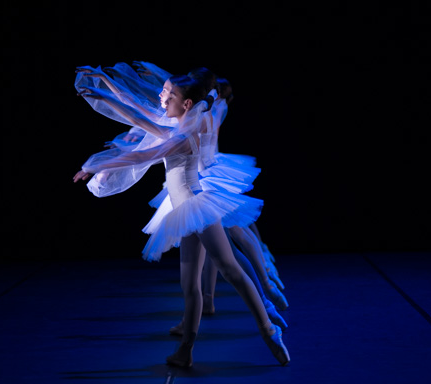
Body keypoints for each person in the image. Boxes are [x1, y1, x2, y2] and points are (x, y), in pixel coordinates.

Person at [73, 71, 290, 367]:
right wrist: (104, 92)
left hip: (197, 208)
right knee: (189, 286)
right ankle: (185, 351)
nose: (163, 101)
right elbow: (137, 115)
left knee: (231, 270)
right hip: (185, 213)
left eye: (170, 96)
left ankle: (269, 329)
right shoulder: (176, 126)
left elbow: (140, 157)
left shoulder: (183, 137)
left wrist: (94, 166)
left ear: (186, 104)